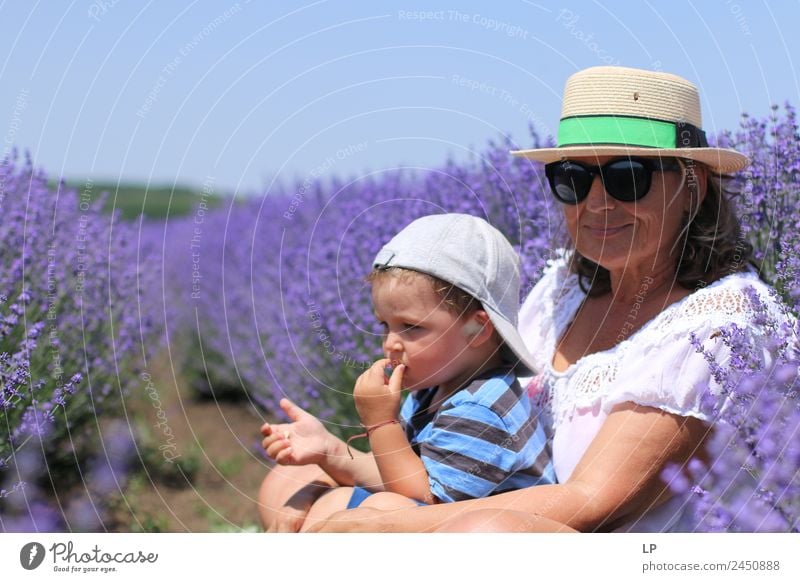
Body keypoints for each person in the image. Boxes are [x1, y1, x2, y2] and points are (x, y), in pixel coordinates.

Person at [260, 65, 790, 533]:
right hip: (492, 511)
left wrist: (392, 525)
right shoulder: (561, 290)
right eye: (573, 179)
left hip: (610, 547)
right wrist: (341, 462)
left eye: (628, 177)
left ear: (691, 183)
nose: (597, 202)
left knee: (479, 539)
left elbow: (592, 503)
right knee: (292, 479)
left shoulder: (719, 327)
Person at [259, 213, 554, 531]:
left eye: (411, 327)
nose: (391, 344)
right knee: (290, 477)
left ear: (476, 328)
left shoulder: (485, 409)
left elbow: (425, 502)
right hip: (427, 519)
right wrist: (329, 450)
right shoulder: (431, 389)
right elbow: (396, 476)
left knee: (379, 508)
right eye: (385, 326)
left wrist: (381, 424)